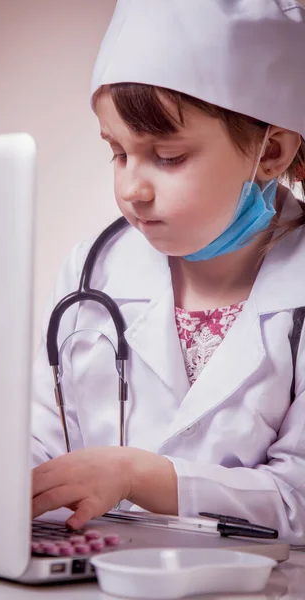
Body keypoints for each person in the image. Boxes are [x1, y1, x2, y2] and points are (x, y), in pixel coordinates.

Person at [30, 0, 305, 543]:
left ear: (271, 152)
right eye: (117, 152)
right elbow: (39, 445)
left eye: (168, 156)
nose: (133, 188)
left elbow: (298, 500)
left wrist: (139, 476)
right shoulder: (93, 271)